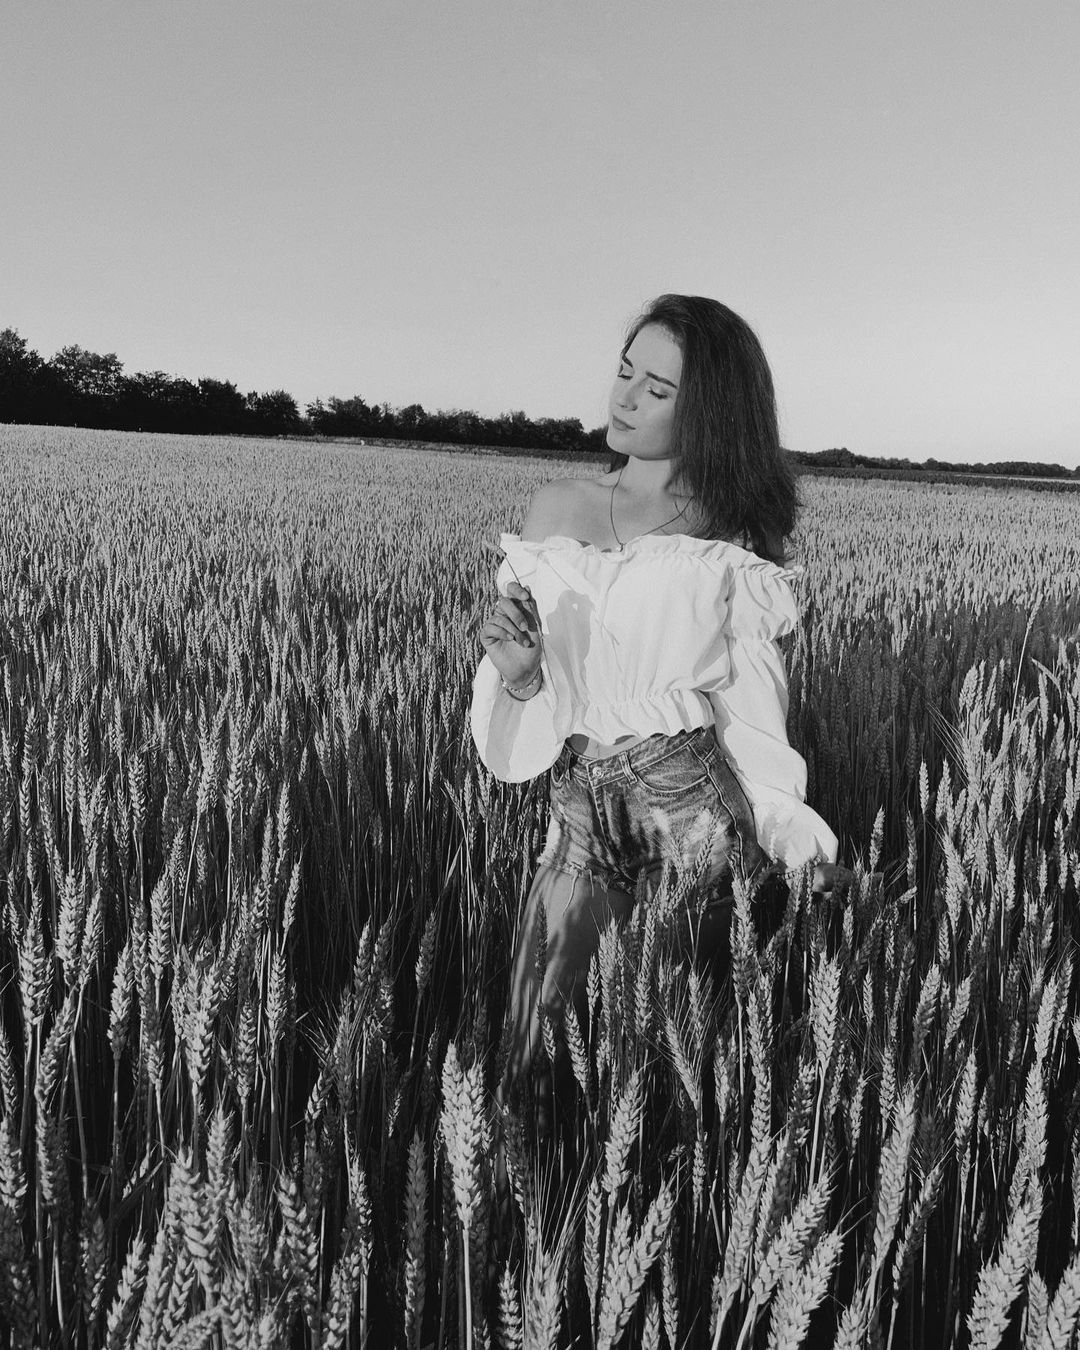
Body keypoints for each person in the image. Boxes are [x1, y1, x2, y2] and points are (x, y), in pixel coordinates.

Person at [471, 294, 848, 1129]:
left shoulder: (724, 540)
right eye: (625, 371)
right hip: (580, 813)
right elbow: (532, 695)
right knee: (529, 1065)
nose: (626, 397)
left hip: (692, 818)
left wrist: (791, 841)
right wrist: (522, 678)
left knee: (662, 1079)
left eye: (658, 388)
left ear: (708, 410)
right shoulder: (554, 509)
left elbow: (751, 709)